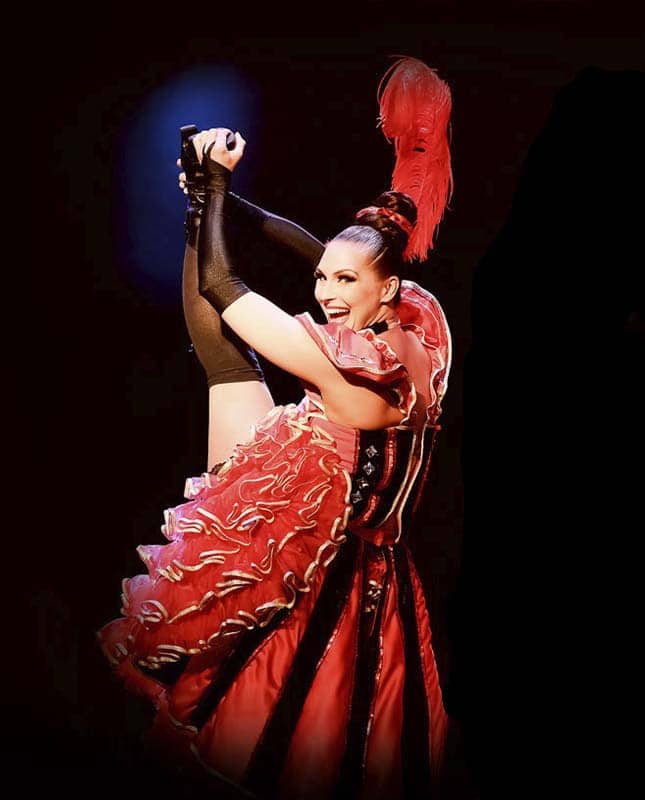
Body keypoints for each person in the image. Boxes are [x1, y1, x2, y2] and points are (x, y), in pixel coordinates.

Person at [96, 57, 455, 799]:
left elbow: (224, 294)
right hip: (347, 506)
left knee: (295, 733)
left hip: (333, 552)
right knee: (225, 366)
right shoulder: (417, 323)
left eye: (344, 284)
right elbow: (323, 253)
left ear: (384, 287)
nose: (325, 293)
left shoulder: (350, 376)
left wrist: (215, 194)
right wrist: (226, 203)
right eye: (324, 279)